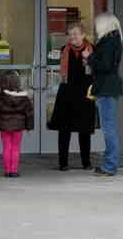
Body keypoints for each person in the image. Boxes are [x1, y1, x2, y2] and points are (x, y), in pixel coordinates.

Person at [48, 23, 96, 171]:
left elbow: (96, 71)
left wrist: (89, 59)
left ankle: (86, 162)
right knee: (64, 129)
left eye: (75, 34)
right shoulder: (65, 50)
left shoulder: (92, 50)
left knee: (85, 130)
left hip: (85, 93)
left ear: (83, 35)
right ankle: (63, 163)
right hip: (67, 93)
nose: (72, 37)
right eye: (70, 34)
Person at [84, 13, 123, 177]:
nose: (95, 27)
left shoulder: (108, 41)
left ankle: (110, 165)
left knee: (108, 127)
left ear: (105, 25)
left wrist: (90, 58)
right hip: (109, 85)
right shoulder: (114, 39)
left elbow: (105, 65)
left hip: (106, 86)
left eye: (97, 24)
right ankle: (110, 163)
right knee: (110, 126)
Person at [0, 71, 34, 178]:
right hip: (18, 127)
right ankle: (14, 170)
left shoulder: (0, 97)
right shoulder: (24, 97)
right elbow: (29, 112)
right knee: (16, 148)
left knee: (6, 147)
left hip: (4, 126)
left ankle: (7, 170)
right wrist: (29, 127)